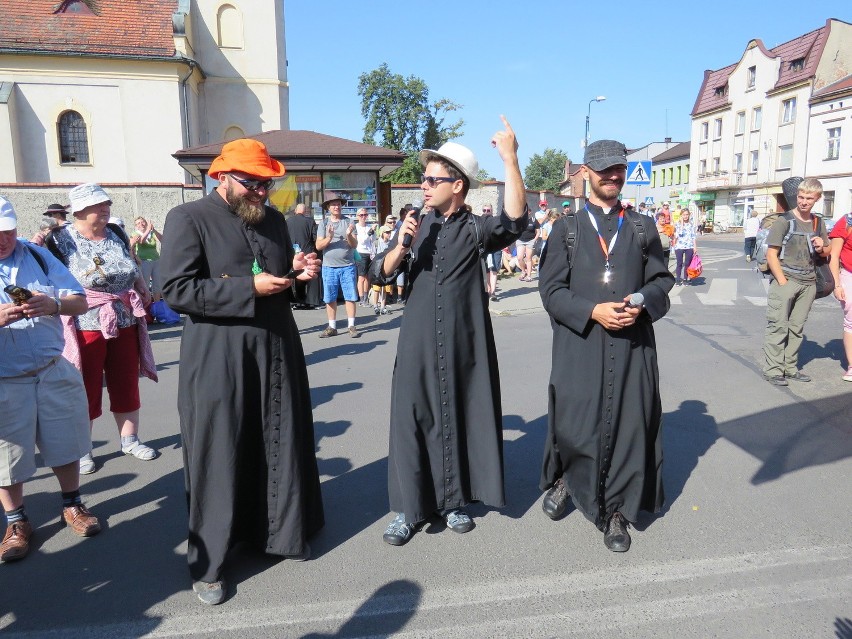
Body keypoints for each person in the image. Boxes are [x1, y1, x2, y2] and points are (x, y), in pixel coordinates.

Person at [159, 138, 324, 605]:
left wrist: (296, 272)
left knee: (277, 438)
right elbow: (176, 290)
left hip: (275, 347)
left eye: (267, 184)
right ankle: (209, 565)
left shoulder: (273, 219)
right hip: (218, 357)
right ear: (222, 177)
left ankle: (278, 533)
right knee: (220, 451)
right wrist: (248, 288)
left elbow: (276, 280)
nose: (261, 192)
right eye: (252, 183)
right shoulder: (188, 218)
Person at [370, 116, 527, 546]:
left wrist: (511, 160)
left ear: (457, 185)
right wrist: (402, 244)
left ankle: (454, 501)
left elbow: (515, 221)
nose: (423, 185)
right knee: (411, 419)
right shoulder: (415, 225)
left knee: (458, 412)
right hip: (417, 342)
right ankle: (408, 509)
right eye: (423, 178)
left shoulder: (476, 229)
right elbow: (379, 274)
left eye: (432, 179)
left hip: (463, 343)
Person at [538, 139, 674, 553]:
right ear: (587, 175)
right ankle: (568, 481)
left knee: (630, 425)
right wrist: (593, 311)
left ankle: (617, 511)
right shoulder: (567, 228)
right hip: (581, 342)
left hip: (632, 344)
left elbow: (663, 282)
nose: (613, 177)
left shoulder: (642, 226)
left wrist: (642, 304)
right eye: (604, 171)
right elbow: (551, 290)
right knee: (576, 423)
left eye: (618, 169)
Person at [0, 196, 101, 563]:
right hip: (5, 377)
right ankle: (16, 522)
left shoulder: (38, 255)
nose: (4, 239)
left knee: (66, 440)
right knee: (7, 455)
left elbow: (80, 300)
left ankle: (72, 505)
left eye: (8, 231)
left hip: (50, 367)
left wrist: (53, 304)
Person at [45, 183, 158, 475]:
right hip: (85, 322)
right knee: (85, 386)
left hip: (124, 319)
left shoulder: (117, 233)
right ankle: (83, 448)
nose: (106, 209)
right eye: (99, 206)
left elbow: (131, 266)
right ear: (80, 211)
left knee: (125, 379)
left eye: (106, 204)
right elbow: (49, 279)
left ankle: (130, 439)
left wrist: (141, 285)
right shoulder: (58, 240)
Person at [761, 178, 830, 386]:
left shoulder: (818, 223)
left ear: (817, 199)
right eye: (801, 197)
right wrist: (782, 281)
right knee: (778, 326)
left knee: (796, 328)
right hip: (787, 280)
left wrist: (821, 246)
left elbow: (827, 251)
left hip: (808, 282)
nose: (803, 202)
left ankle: (790, 368)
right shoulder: (784, 221)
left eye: (809, 198)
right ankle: (773, 370)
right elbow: (771, 254)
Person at [316, 193, 359, 338]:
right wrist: (329, 237)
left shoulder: (349, 222)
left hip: (348, 266)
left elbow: (354, 245)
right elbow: (318, 246)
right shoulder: (323, 224)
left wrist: (348, 235)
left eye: (339, 204)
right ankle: (332, 327)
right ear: (328, 207)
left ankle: (351, 326)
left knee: (350, 296)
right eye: (333, 204)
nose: (337, 207)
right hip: (329, 267)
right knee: (330, 298)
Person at [286, 203, 323, 309]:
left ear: (295, 211)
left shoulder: (288, 222)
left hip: (294, 254)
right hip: (307, 252)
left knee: (295, 276)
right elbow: (314, 238)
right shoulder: (310, 221)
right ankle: (312, 301)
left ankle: (296, 301)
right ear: (305, 211)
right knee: (312, 275)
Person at [829, 211, 852, 382]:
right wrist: (837, 284)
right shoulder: (847, 221)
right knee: (851, 321)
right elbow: (834, 256)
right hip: (849, 276)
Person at [130, 217, 163, 301]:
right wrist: (148, 229)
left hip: (156, 260)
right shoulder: (135, 233)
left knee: (157, 284)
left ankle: (157, 304)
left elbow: (162, 239)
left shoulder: (151, 233)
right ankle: (146, 305)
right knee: (145, 284)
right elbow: (142, 241)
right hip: (144, 261)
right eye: (138, 223)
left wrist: (153, 230)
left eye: (142, 222)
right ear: (136, 226)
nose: (141, 224)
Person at [353, 208, 375, 306]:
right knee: (361, 277)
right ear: (357, 216)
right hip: (360, 253)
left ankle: (366, 298)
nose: (363, 217)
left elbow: (372, 241)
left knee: (367, 277)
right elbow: (361, 241)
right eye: (361, 215)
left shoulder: (368, 227)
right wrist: (370, 232)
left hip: (369, 253)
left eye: (365, 215)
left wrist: (373, 253)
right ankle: (361, 299)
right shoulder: (356, 227)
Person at [481, 205, 501, 301]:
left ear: (492, 211)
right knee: (486, 271)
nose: (486, 212)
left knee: (494, 270)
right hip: (485, 249)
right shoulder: (480, 221)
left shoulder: (496, 221)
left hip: (496, 248)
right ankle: (488, 289)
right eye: (484, 210)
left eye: (488, 210)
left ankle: (492, 292)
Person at [516, 204, 540, 282]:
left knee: (528, 258)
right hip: (520, 240)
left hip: (530, 241)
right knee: (519, 258)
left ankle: (529, 276)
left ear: (530, 212)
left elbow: (538, 231)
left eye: (528, 211)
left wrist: (534, 240)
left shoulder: (533, 220)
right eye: (524, 212)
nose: (526, 213)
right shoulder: (519, 220)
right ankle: (523, 271)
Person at [672, 209, 697, 285]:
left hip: (689, 246)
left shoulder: (691, 224)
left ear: (689, 215)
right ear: (681, 215)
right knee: (679, 263)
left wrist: (695, 246)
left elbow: (693, 236)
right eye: (684, 215)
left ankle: (685, 278)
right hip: (679, 246)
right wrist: (682, 223)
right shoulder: (677, 224)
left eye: (687, 214)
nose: (685, 216)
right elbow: (679, 233)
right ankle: (678, 279)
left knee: (687, 263)